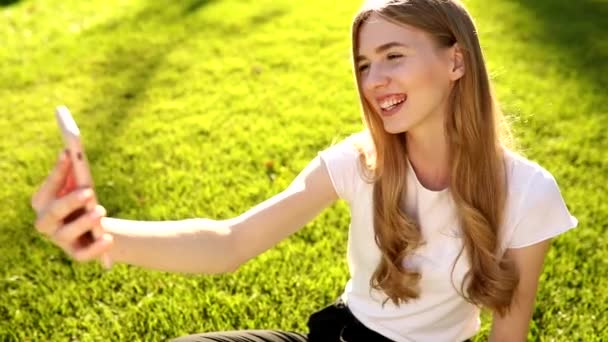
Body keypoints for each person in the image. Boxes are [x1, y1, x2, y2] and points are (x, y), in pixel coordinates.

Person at [31, 0, 578, 341]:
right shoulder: (359, 162)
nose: (374, 80)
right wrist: (103, 235)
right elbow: (230, 241)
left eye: (393, 56)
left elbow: (510, 332)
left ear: (456, 61)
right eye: (365, 65)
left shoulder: (528, 191)